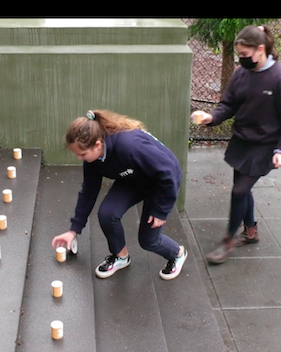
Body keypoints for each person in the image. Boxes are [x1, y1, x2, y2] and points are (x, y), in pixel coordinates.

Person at [191, 25, 281, 264]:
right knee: (243, 189)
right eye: (239, 56)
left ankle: (228, 241)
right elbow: (229, 104)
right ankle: (250, 231)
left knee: (239, 190)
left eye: (244, 55)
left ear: (260, 49)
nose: (241, 60)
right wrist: (212, 117)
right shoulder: (242, 73)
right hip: (242, 140)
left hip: (265, 145)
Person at [51, 109, 187, 280]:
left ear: (98, 145)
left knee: (148, 241)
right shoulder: (93, 160)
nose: (80, 158)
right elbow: (88, 191)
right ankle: (121, 257)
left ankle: (177, 254)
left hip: (161, 182)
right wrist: (74, 230)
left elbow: (167, 172)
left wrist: (160, 210)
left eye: (82, 154)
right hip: (133, 177)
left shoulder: (129, 146)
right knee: (107, 214)